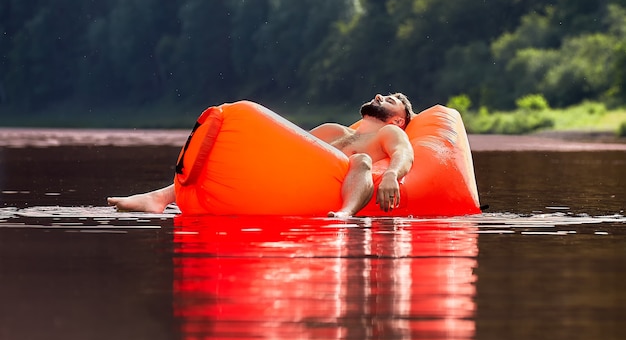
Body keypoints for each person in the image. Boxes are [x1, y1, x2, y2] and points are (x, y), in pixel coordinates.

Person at [108, 93, 415, 217]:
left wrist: (390, 174)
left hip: (336, 193)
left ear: (398, 120)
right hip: (298, 182)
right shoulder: (333, 130)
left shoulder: (389, 134)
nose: (380, 96)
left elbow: (405, 155)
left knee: (359, 160)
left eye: (391, 100)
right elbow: (296, 148)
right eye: (383, 93)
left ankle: (345, 216)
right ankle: (160, 198)